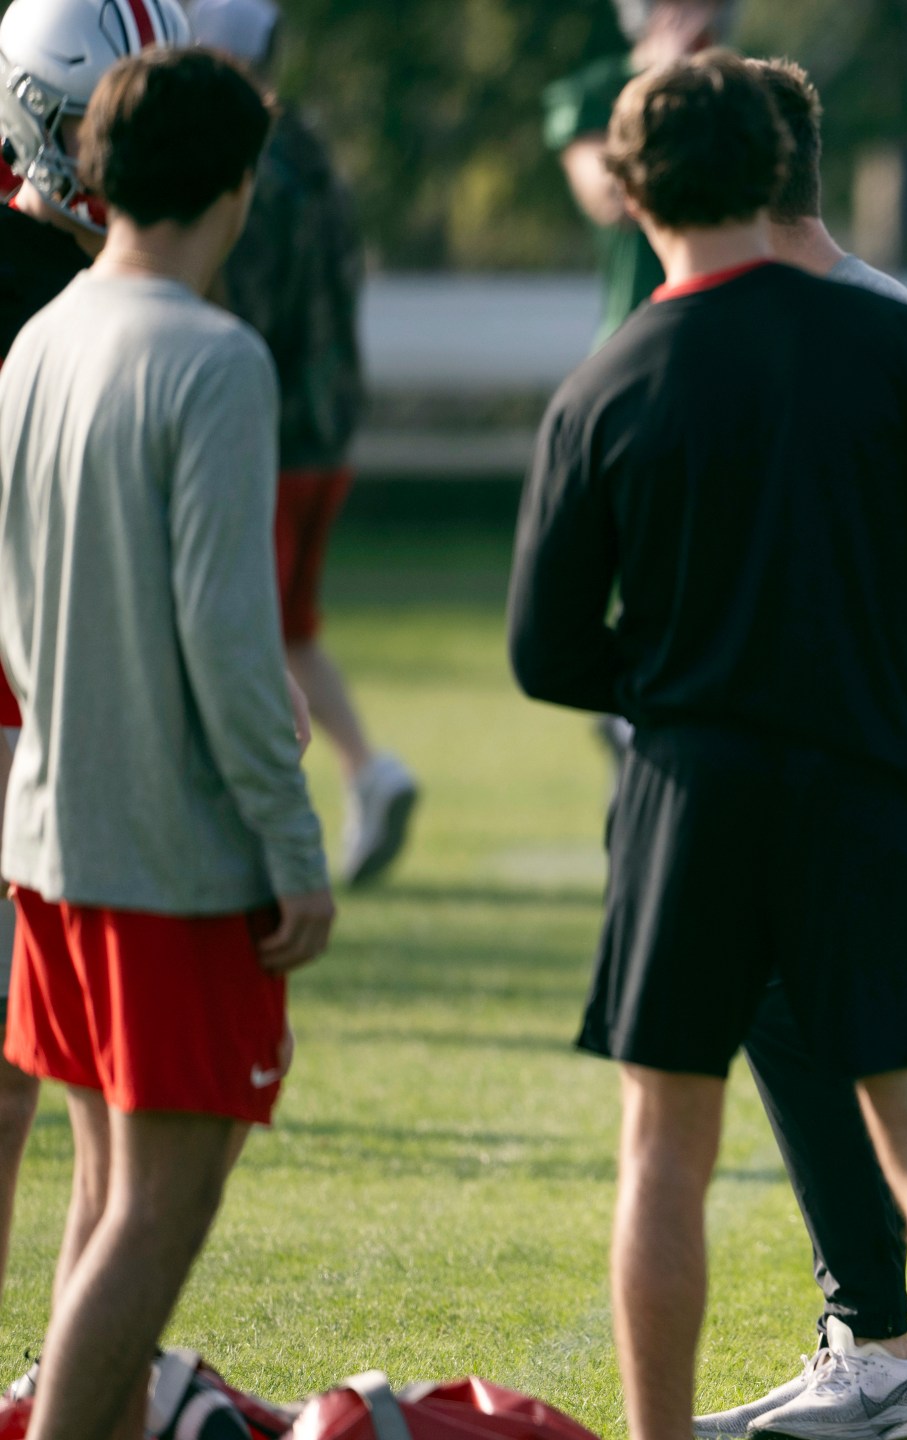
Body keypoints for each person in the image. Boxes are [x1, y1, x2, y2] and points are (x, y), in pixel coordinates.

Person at [507, 53, 907, 1440]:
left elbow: (544, 652)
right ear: (778, 175)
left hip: (692, 795)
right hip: (873, 777)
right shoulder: (891, 341)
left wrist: (679, 676)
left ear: (629, 190)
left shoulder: (605, 384)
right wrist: (902, 639)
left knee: (662, 1157)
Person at [688, 57, 907, 1440]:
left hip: (886, 765)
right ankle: (871, 1344)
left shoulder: (885, 330)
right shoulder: (743, 324)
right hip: (784, 766)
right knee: (786, 1021)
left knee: (898, 1085)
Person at [0, 43, 336, 1440]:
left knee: (101, 1192)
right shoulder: (212, 356)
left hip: (48, 839)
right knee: (160, 1208)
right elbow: (227, 640)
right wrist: (293, 843)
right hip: (167, 859)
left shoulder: (40, 337)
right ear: (238, 182)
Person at [0, 0, 184, 1320]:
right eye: (95, 123)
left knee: (63, 1073)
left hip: (69, 709)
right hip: (23, 702)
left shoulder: (140, 271)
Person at [197, 0, 420, 889]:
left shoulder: (243, 163)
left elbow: (234, 309)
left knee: (258, 625)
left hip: (272, 433)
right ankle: (370, 770)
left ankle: (331, 790)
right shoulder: (312, 150)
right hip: (327, 428)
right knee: (290, 625)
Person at [542, 0, 735, 349]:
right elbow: (612, 197)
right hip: (639, 331)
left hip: (733, 329)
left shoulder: (743, 89)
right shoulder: (595, 93)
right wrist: (668, 93)